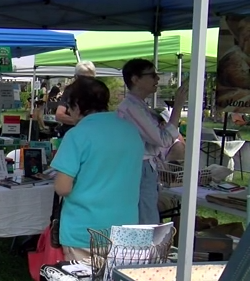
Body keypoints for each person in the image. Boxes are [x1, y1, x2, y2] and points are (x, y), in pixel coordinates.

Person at [51, 77, 144, 261]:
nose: (68, 111)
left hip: (85, 230)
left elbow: (63, 187)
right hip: (126, 227)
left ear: (77, 105)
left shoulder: (77, 135)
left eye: (69, 106)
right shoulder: (131, 131)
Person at [117, 58, 188, 225]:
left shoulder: (139, 106)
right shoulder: (132, 108)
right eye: (152, 75)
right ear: (135, 79)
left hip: (143, 165)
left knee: (145, 214)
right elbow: (163, 140)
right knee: (146, 218)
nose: (157, 79)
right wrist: (177, 107)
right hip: (140, 166)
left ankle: (145, 248)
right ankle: (147, 250)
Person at [55, 61, 96, 137]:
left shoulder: (98, 92)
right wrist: (80, 122)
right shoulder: (70, 91)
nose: (86, 82)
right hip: (72, 133)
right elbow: (59, 115)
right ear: (76, 77)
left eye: (90, 79)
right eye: (83, 78)